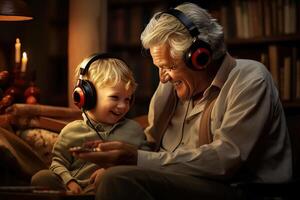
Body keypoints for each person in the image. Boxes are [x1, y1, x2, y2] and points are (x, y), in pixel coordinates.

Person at [72, 2, 292, 200]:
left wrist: (134, 160)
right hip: (183, 181)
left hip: (240, 189)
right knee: (55, 179)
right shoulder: (171, 85)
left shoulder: (251, 78)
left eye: (169, 66)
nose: (163, 77)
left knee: (116, 180)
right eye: (159, 67)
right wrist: (115, 158)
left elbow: (225, 159)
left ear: (200, 57)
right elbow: (151, 145)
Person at [31, 53, 149, 194]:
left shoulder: (134, 130)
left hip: (109, 187)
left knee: (108, 179)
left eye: (128, 99)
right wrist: (70, 182)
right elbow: (58, 163)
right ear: (86, 96)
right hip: (73, 189)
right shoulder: (72, 131)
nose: (123, 106)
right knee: (41, 177)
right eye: (115, 97)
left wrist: (112, 172)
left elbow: (144, 162)